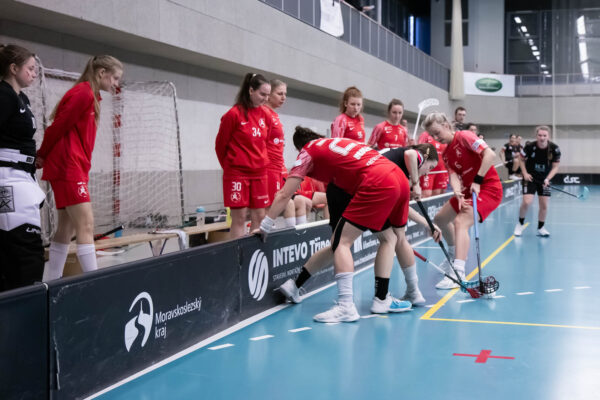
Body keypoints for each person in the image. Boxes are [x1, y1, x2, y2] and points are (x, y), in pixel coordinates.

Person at [258, 127, 414, 322]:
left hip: (372, 182)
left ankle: (345, 305)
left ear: (299, 147)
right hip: (392, 179)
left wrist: (265, 225)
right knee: (384, 238)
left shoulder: (307, 152)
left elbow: (284, 194)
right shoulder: (337, 143)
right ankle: (393, 296)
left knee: (341, 244)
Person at [278, 143, 441, 310]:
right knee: (390, 238)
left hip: (342, 189)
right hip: (359, 189)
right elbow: (412, 155)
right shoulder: (411, 159)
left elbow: (402, 206)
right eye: (430, 167)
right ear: (425, 157)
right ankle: (384, 298)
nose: (428, 172)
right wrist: (416, 184)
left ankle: (294, 285)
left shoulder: (396, 163)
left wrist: (428, 224)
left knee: (338, 246)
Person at [37, 55, 123, 281]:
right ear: (101, 73)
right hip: (67, 167)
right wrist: (42, 154)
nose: (116, 83)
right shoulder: (83, 94)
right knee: (86, 224)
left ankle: (53, 280)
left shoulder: (91, 95)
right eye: (115, 78)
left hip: (73, 167)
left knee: (66, 226)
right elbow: (57, 127)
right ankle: (93, 281)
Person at [423, 112, 503, 289]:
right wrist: (457, 192)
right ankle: (453, 255)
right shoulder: (446, 153)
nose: (436, 138)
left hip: (488, 188)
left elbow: (490, 154)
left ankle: (458, 273)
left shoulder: (465, 136)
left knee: (461, 222)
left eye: (437, 133)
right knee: (440, 219)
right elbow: (453, 175)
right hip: (467, 190)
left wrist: (478, 180)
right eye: (432, 135)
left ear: (446, 125)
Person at [0, 44, 46, 291]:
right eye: (30, 68)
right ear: (13, 68)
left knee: (18, 245)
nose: (34, 73)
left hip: (23, 176)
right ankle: (23, 302)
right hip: (8, 180)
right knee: (23, 246)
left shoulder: (22, 99)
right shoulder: (3, 95)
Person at [215, 73, 272, 238]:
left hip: (260, 173)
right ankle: (237, 253)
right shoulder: (233, 114)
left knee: (259, 216)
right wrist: (231, 168)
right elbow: (220, 146)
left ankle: (254, 252)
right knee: (239, 218)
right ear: (251, 90)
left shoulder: (266, 115)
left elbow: (265, 142)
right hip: (237, 174)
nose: (266, 99)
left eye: (268, 95)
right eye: (262, 94)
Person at [513, 126, 560, 237]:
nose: (542, 138)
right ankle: (520, 224)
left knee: (544, 205)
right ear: (536, 135)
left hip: (545, 180)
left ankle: (541, 227)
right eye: (540, 135)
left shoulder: (555, 149)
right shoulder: (529, 147)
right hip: (530, 178)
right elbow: (521, 160)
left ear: (548, 136)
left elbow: (555, 167)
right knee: (527, 202)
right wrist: (525, 173)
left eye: (544, 135)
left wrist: (548, 179)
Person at [264, 79, 296, 228]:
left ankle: (288, 236)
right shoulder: (264, 113)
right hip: (268, 168)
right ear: (269, 94)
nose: (284, 97)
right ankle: (266, 234)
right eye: (279, 93)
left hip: (277, 168)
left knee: (281, 204)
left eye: (285, 94)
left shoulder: (274, 115)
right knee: (268, 208)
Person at [417, 130, 448, 198]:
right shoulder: (425, 134)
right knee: (426, 194)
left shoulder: (443, 135)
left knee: (438, 194)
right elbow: (419, 150)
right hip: (429, 170)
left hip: (441, 170)